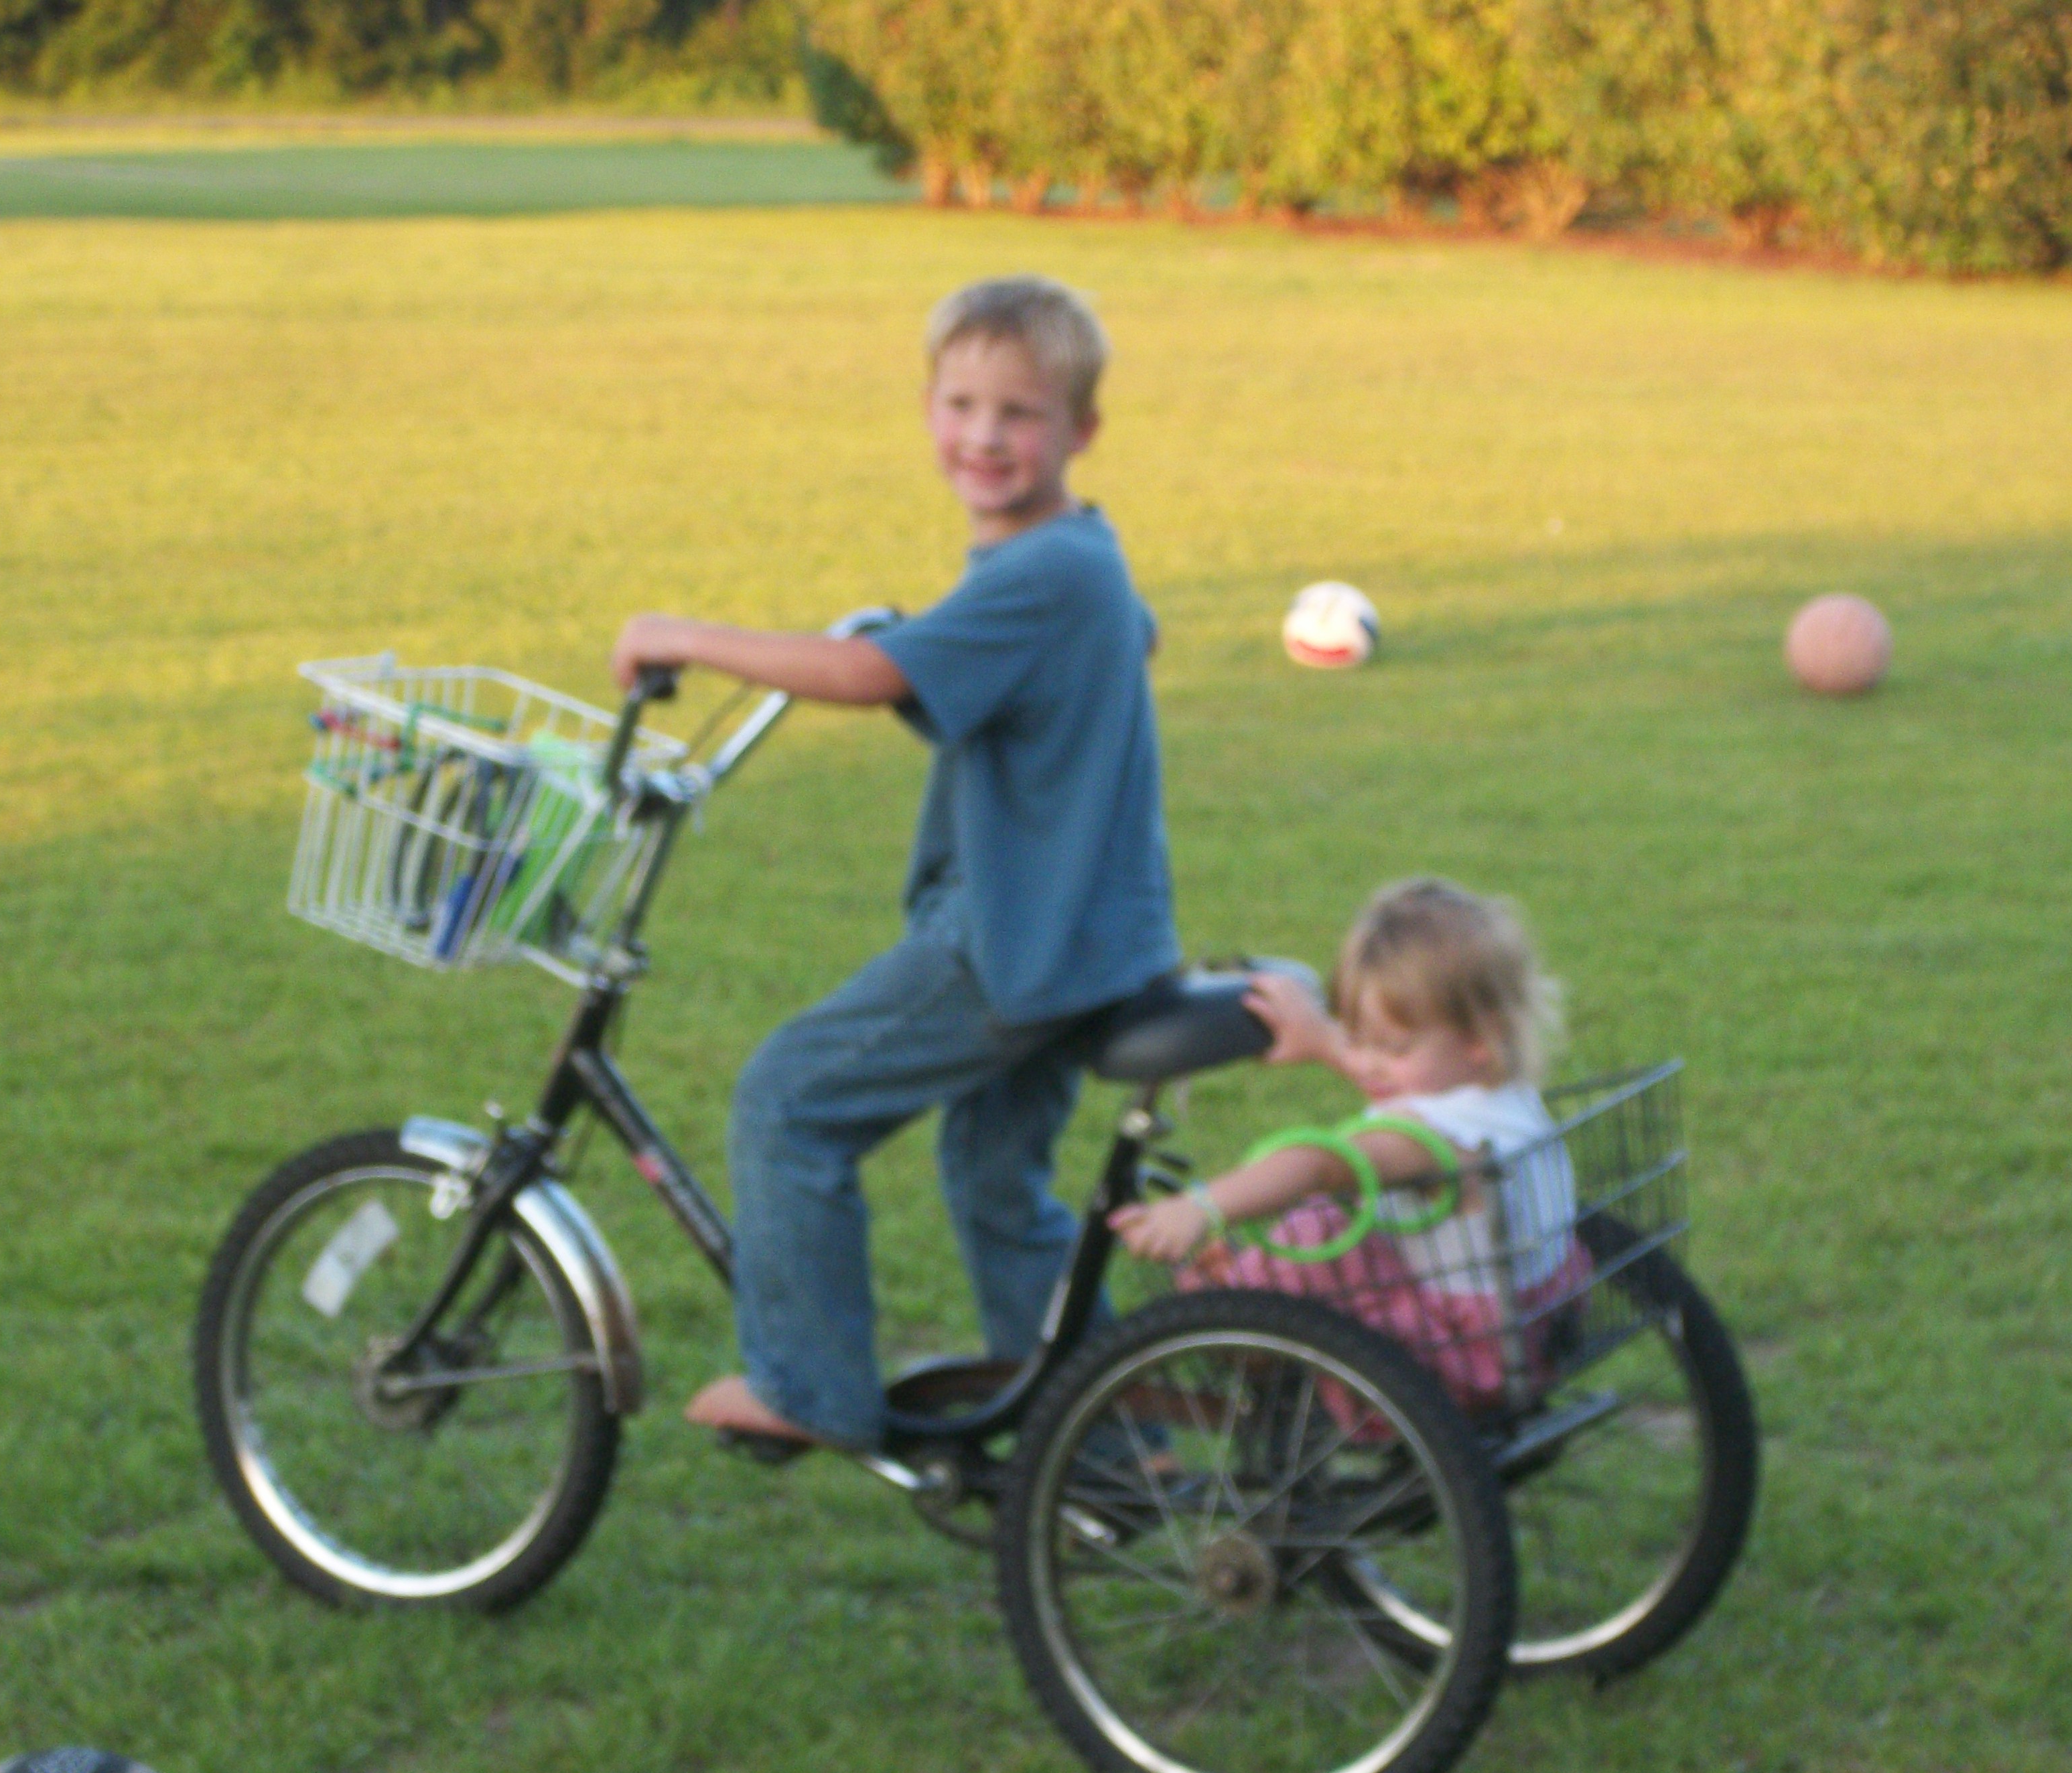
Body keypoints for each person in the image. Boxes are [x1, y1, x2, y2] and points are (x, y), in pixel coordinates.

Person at [608, 275, 1179, 1451]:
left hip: (1014, 942)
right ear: (927, 410)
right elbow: (1120, 632)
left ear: (1081, 429)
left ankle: (807, 1392)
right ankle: (1112, 1457)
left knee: (787, 1105)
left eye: (1020, 412)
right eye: (962, 405)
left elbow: (876, 679)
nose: (985, 436)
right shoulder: (1080, 555)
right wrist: (917, 634)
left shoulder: (1045, 573)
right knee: (994, 1184)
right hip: (1089, 941)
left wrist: (684, 635)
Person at [1109, 877, 1586, 1412]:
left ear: (1480, 1039)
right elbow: (1400, 1080)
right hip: (1529, 1328)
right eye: (1359, 1040)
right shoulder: (1499, 1096)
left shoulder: (1436, 1139)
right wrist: (1320, 1038)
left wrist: (1203, 1206)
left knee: (1323, 1226)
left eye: (1394, 1047)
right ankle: (1246, 1295)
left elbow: (1319, 1165)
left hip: (1455, 1359)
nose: (1367, 1064)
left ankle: (1236, 1321)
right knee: (1341, 1234)